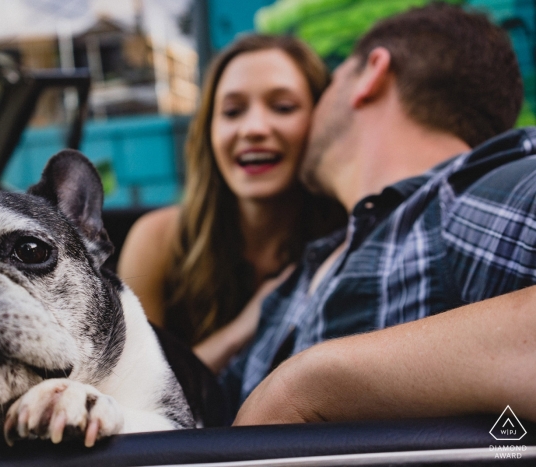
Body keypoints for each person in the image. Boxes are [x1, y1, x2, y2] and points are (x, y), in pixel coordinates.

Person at [223, 3, 536, 423]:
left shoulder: (472, 198)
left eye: (330, 82)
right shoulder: (302, 274)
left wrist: (308, 382)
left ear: (371, 72)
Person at [118, 35, 346, 374]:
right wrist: (243, 328)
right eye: (232, 111)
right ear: (209, 131)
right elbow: (137, 390)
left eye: (283, 107)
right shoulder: (156, 240)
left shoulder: (349, 236)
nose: (253, 129)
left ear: (321, 121)